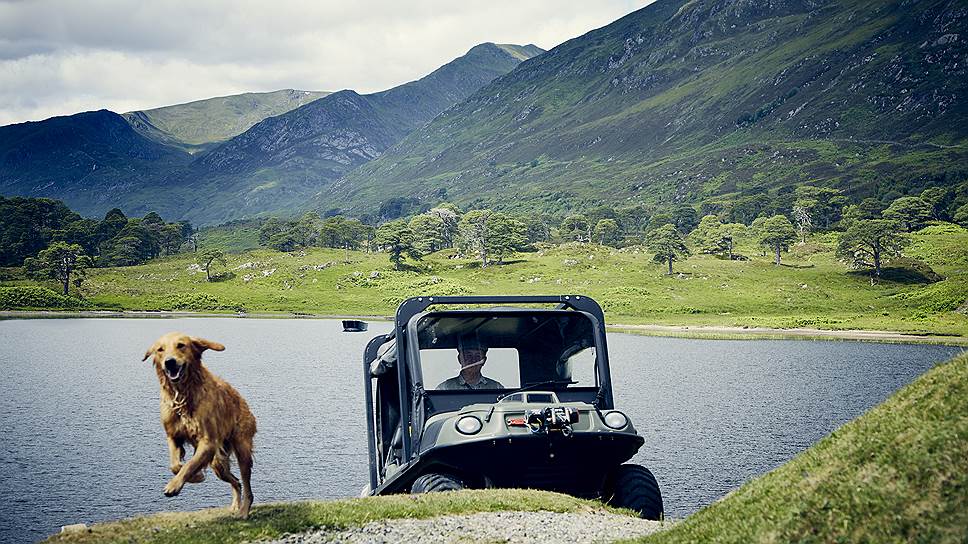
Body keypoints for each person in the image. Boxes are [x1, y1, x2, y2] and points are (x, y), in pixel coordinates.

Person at [436, 334, 504, 390]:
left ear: (484, 361)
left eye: (477, 356)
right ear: (459, 359)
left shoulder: (497, 388)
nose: (473, 360)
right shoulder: (444, 388)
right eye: (468, 355)